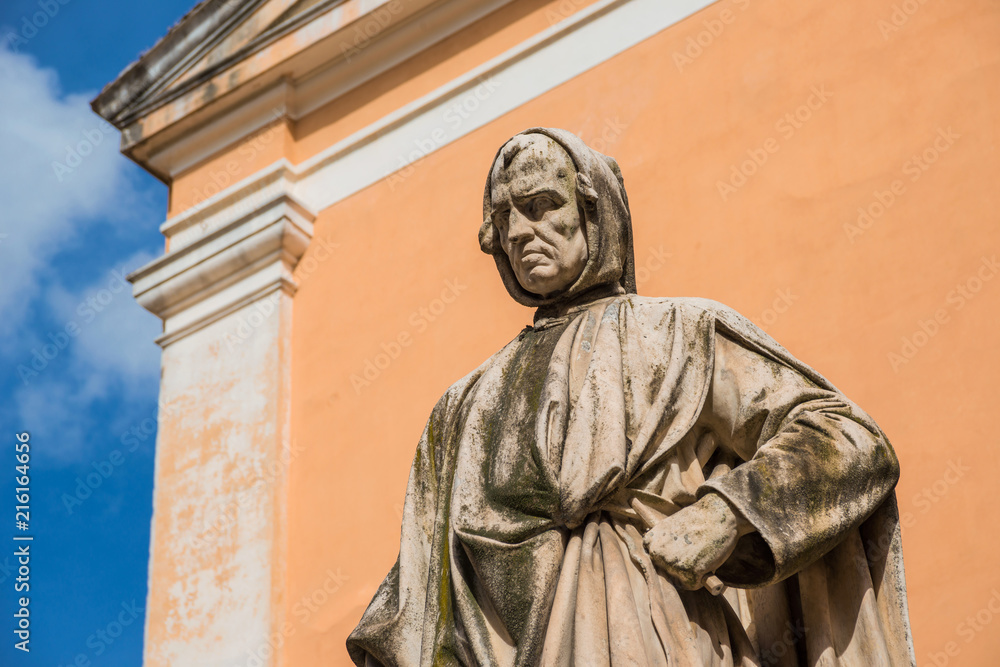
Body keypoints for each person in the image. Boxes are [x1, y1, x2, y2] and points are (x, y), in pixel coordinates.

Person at [347, 128, 915, 666]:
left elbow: (848, 437)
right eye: (504, 216)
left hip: (656, 629)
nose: (520, 231)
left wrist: (726, 513)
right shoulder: (463, 407)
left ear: (593, 212)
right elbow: (415, 611)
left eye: (542, 204)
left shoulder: (676, 331)